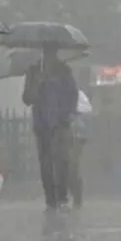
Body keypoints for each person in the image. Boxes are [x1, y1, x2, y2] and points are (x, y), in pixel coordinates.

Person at [23, 44, 79, 210]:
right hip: (42, 124)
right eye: (46, 52)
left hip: (61, 123)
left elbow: (73, 93)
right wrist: (37, 84)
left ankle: (62, 196)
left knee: (62, 160)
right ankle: (50, 198)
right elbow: (27, 98)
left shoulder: (63, 70)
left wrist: (68, 113)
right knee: (45, 162)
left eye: (52, 53)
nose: (49, 56)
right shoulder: (33, 71)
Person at [71, 89, 92, 208]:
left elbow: (88, 108)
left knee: (73, 166)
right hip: (63, 135)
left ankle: (77, 197)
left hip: (77, 136)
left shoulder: (78, 94)